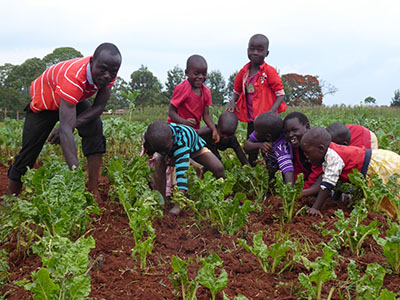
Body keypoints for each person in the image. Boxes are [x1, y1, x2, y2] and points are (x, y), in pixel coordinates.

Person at [8, 43, 122, 199]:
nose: (108, 75)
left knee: (94, 127)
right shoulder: (74, 77)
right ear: (92, 61)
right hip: (46, 102)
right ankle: (11, 199)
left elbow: (99, 107)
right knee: (29, 152)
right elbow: (66, 131)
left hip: (73, 99)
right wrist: (76, 177)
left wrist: (68, 125)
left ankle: (94, 190)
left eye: (113, 71)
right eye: (103, 69)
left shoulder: (108, 74)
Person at [300, 127, 399, 217]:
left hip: (379, 167)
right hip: (374, 162)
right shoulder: (328, 153)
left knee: (388, 196)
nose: (306, 156)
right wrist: (303, 193)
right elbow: (324, 180)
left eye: (308, 152)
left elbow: (327, 185)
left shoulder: (333, 157)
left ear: (321, 149)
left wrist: (315, 208)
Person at [226, 34, 287, 165]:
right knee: (251, 147)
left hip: (268, 122)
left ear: (267, 53)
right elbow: (236, 90)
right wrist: (232, 101)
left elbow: (280, 94)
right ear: (247, 49)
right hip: (252, 120)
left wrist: (270, 113)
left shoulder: (269, 72)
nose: (255, 52)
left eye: (260, 50)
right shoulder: (244, 71)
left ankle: (273, 171)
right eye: (252, 49)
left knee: (270, 148)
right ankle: (252, 169)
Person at [143, 121, 224, 216]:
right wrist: (165, 154)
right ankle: (162, 201)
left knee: (219, 168)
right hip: (170, 149)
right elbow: (152, 150)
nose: (163, 152)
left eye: (165, 150)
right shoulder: (154, 137)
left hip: (195, 149)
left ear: (173, 138)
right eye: (159, 150)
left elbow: (182, 174)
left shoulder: (182, 142)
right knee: (159, 162)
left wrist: (178, 205)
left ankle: (222, 195)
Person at [167, 54, 219, 142]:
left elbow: (206, 115)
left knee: (212, 128)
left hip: (194, 131)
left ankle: (195, 136)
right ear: (187, 73)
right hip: (177, 128)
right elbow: (171, 112)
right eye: (196, 73)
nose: (201, 77)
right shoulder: (182, 88)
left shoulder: (206, 92)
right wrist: (184, 122)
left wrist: (214, 130)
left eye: (204, 74)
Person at [243, 112, 294, 184]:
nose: (254, 133)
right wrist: (259, 145)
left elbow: (288, 171)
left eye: (256, 131)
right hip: (271, 167)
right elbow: (246, 146)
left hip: (281, 172)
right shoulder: (263, 132)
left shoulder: (281, 148)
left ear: (268, 137)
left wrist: (289, 191)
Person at [283, 112, 322, 196]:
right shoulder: (296, 149)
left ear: (307, 127)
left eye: (294, 130)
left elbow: (317, 174)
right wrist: (294, 188)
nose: (290, 135)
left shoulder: (317, 146)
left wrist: (300, 192)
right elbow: (297, 169)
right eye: (286, 132)